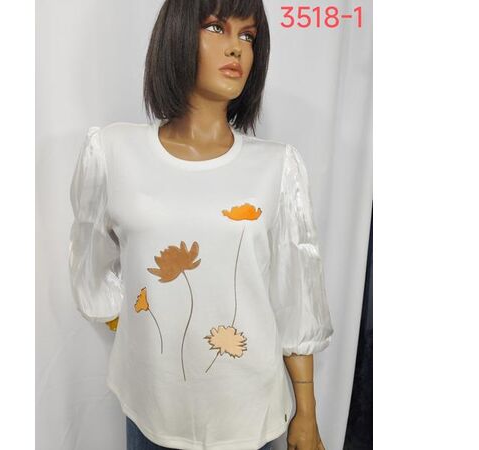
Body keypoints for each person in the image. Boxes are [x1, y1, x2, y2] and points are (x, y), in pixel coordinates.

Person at [68, 1, 334, 449]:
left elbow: (296, 297)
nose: (236, 48)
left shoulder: (277, 167)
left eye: (247, 36)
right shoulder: (113, 152)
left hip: (250, 414)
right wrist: (132, 322)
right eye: (216, 28)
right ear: (176, 36)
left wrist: (306, 411)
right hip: (151, 408)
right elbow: (91, 257)